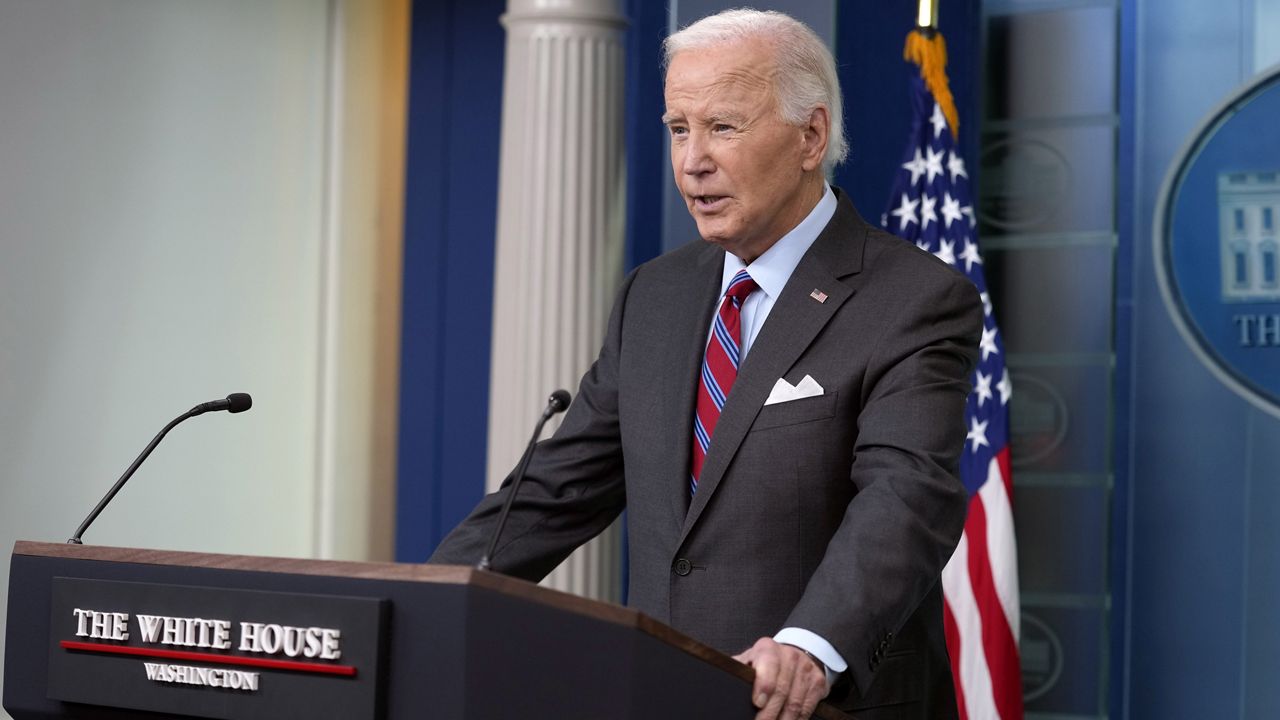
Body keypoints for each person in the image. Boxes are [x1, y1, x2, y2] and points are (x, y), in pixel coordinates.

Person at [429, 9, 981, 719]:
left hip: (816, 705)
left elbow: (905, 500)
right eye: (678, 129)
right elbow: (558, 489)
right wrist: (429, 594)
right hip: (662, 693)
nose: (693, 160)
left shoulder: (913, 298)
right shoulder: (654, 295)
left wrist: (810, 646)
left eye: (722, 127)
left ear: (810, 136)